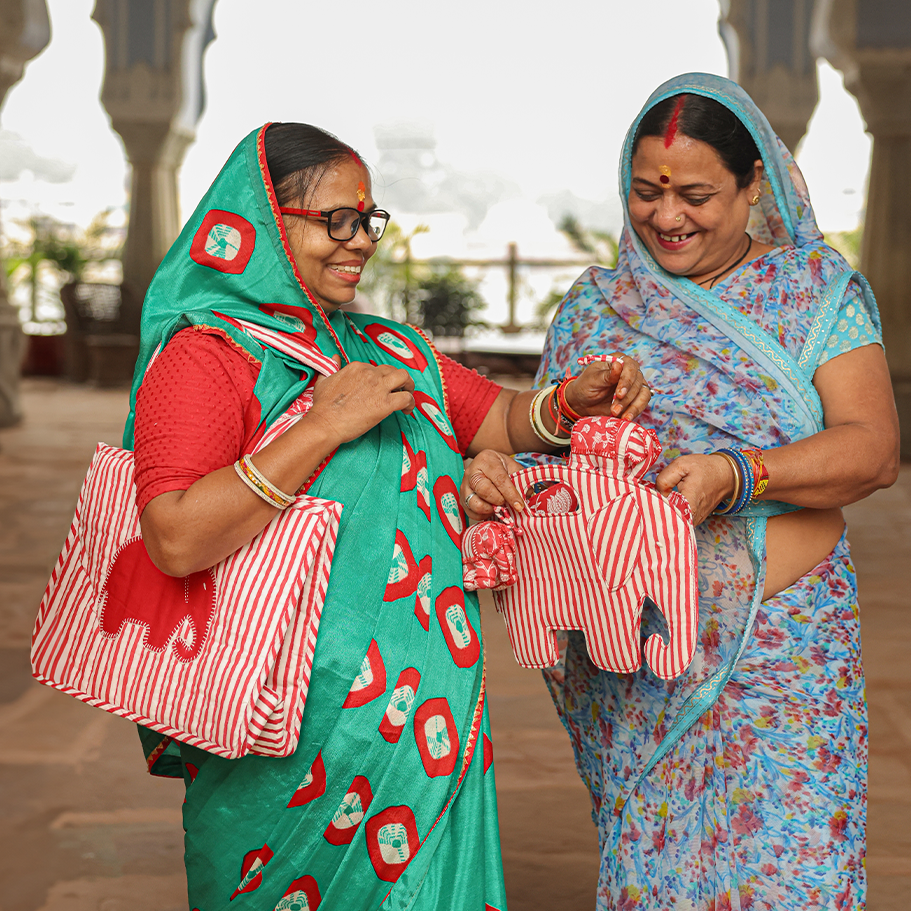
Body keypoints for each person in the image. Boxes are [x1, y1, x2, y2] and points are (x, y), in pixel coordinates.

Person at [124, 121, 650, 910]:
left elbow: (498, 417)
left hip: (423, 730)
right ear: (260, 220)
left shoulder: (386, 348)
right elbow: (174, 536)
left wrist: (568, 402)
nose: (360, 241)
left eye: (367, 219)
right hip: (284, 728)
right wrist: (322, 426)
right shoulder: (206, 355)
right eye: (334, 220)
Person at [461, 73, 899, 910]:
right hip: (634, 654)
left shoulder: (812, 293)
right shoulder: (593, 309)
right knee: (655, 869)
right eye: (645, 193)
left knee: (789, 867)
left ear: (753, 185)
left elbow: (873, 451)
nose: (666, 217)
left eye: (695, 195)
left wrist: (736, 474)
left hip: (781, 653)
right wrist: (499, 477)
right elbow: (555, 456)